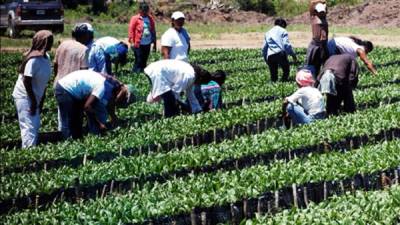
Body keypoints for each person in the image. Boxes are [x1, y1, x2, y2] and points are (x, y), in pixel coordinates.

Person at [55, 70, 136, 139]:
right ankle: (67, 142)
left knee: (77, 121)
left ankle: (77, 140)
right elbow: (87, 107)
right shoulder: (101, 88)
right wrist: (98, 123)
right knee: (69, 122)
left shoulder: (110, 85)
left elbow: (110, 103)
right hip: (65, 89)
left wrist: (113, 116)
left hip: (75, 89)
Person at [12, 30, 53, 148]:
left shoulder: (46, 57)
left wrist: (41, 100)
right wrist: (34, 101)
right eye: (49, 41)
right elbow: (26, 80)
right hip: (25, 96)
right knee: (29, 126)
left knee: (34, 125)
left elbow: (43, 81)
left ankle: (30, 153)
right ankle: (29, 157)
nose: (51, 43)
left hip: (35, 97)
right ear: (42, 42)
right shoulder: (33, 60)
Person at [144, 59, 210, 118]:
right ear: (200, 79)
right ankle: (168, 118)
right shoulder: (190, 76)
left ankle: (147, 109)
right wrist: (179, 106)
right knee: (169, 98)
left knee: (163, 95)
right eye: (201, 83)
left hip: (156, 70)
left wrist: (198, 110)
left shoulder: (192, 74)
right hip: (157, 72)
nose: (199, 85)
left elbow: (191, 95)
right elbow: (175, 92)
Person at [262, 18, 297, 82]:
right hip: (280, 53)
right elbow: (286, 45)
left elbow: (264, 48)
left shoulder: (268, 32)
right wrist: (293, 54)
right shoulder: (283, 31)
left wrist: (265, 58)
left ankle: (274, 85)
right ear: (283, 25)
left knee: (273, 74)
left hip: (270, 55)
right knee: (286, 70)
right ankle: (283, 82)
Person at [128, 2, 157, 73]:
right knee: (138, 60)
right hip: (138, 44)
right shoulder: (135, 18)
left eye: (146, 10)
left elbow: (153, 30)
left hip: (147, 43)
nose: (145, 12)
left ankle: (142, 74)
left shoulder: (150, 18)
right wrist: (131, 42)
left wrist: (154, 43)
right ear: (140, 10)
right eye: (143, 10)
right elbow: (131, 30)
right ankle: (135, 74)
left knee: (144, 60)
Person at [306, 0, 328, 76]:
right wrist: (320, 1)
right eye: (320, 11)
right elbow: (311, 3)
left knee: (324, 64)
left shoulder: (324, 18)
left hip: (324, 44)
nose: (321, 13)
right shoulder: (314, 17)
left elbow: (326, 8)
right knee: (313, 64)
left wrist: (325, 3)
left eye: (323, 11)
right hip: (316, 43)